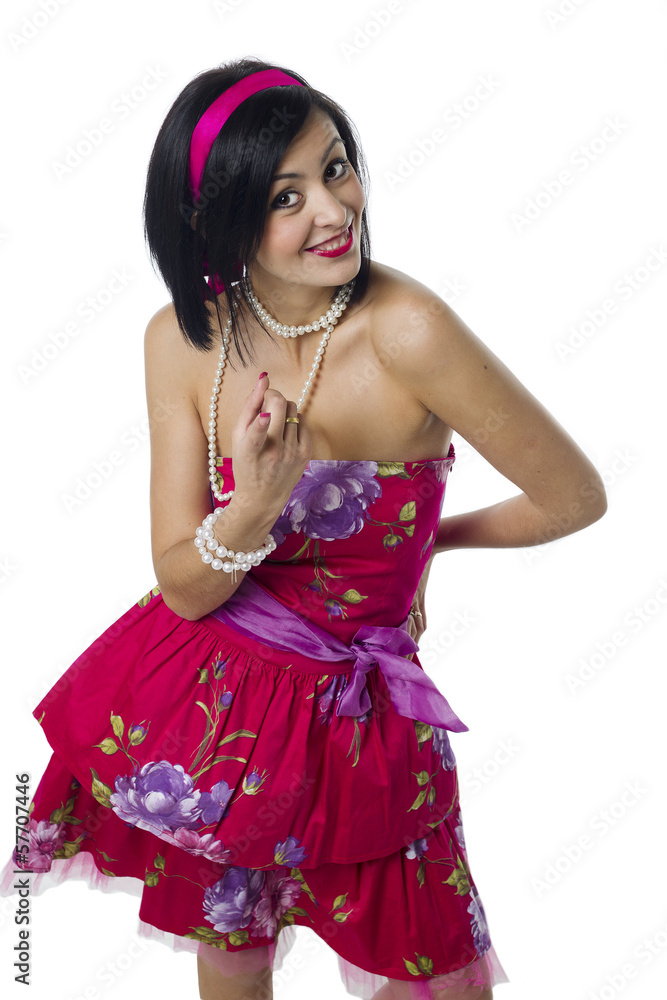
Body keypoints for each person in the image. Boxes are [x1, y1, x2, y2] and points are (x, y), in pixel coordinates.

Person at [1, 57, 607, 1000]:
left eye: (335, 168)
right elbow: (183, 584)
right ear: (215, 221)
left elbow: (573, 497)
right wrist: (252, 504)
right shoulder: (181, 337)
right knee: (232, 951)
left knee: (439, 976)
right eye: (286, 196)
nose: (334, 211)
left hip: (364, 724)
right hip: (216, 707)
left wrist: (426, 546)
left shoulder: (409, 331)